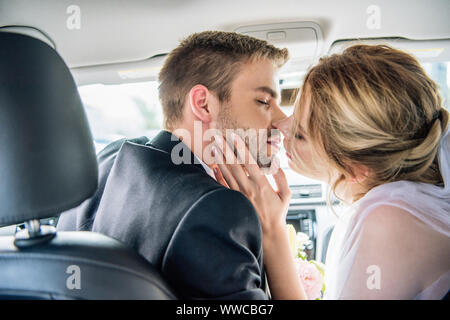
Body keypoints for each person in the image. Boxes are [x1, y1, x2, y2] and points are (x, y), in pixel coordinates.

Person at [57, 31, 290, 299]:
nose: (283, 121)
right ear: (203, 105)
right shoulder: (218, 209)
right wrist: (274, 232)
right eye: (263, 101)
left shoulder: (109, 160)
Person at [213, 44, 450, 299]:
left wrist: (272, 232)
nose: (282, 125)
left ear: (355, 169)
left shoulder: (387, 223)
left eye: (301, 135)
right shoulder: (406, 209)